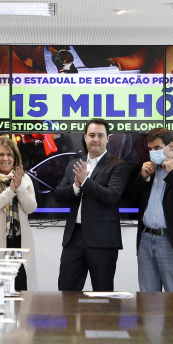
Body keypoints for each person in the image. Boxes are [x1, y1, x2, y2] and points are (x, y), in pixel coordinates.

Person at [54, 118, 130, 291]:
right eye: (92, 135)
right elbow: (58, 195)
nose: (96, 139)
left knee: (103, 296)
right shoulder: (74, 164)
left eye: (100, 135)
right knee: (66, 293)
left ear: (107, 139)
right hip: (74, 239)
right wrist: (76, 186)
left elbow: (112, 196)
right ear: (85, 137)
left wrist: (85, 182)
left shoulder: (119, 165)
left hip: (103, 241)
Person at [127, 127, 173, 292]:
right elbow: (129, 200)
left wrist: (172, 173)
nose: (153, 152)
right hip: (146, 239)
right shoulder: (147, 168)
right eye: (150, 149)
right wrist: (141, 177)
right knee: (148, 298)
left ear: (170, 146)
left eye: (158, 148)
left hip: (172, 242)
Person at [0, 137, 38, 290]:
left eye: (9, 155)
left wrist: (19, 188)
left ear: (15, 158)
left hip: (19, 244)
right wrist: (11, 191)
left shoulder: (24, 179)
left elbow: (31, 208)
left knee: (21, 292)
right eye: (1, 155)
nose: (6, 158)